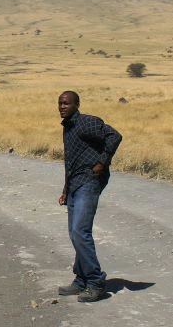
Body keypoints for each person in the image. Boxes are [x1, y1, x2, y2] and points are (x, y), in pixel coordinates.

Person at [56, 90, 122, 303]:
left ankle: (95, 281)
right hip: (75, 185)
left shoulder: (86, 122)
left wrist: (102, 162)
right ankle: (81, 279)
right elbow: (70, 163)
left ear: (77, 104)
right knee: (74, 233)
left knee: (79, 232)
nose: (62, 107)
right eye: (60, 104)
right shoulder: (68, 128)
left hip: (89, 182)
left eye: (66, 103)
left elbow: (114, 136)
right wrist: (65, 191)